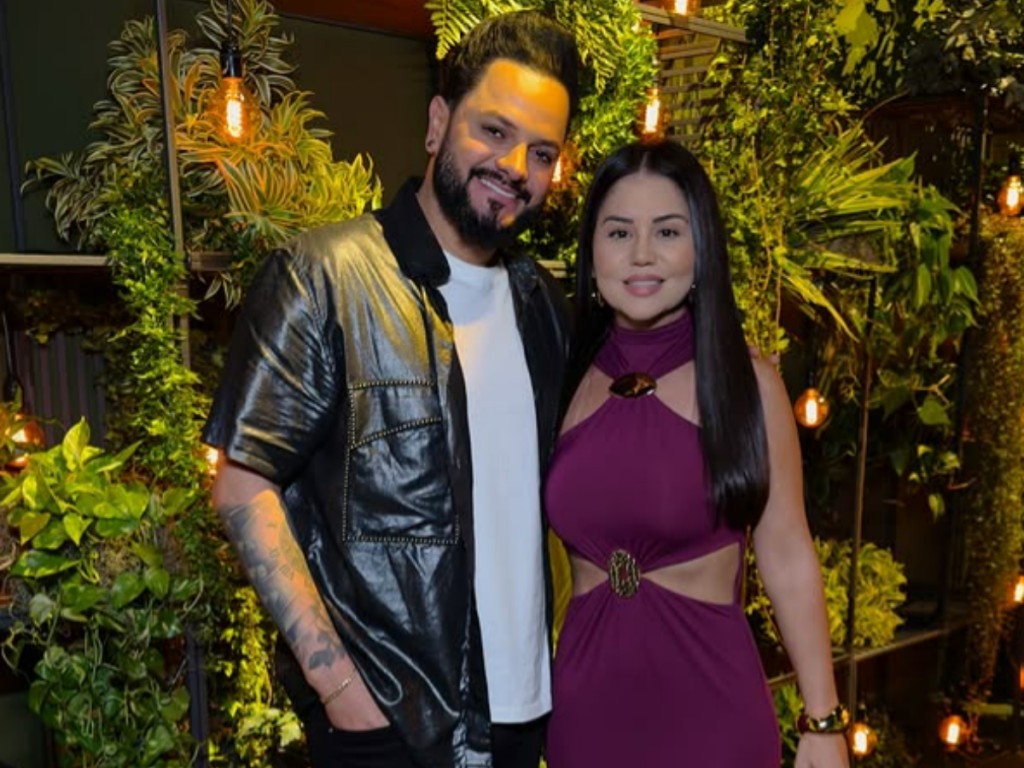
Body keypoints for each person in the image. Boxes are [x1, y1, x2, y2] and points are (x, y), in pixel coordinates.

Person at [202, 12, 580, 768]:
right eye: (494, 131)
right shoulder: (324, 277)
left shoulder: (542, 304)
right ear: (438, 123)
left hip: (524, 720)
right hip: (388, 730)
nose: (515, 166)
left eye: (541, 152)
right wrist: (339, 686)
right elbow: (242, 483)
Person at [543, 140, 850, 768]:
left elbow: (787, 553)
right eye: (619, 232)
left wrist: (823, 724)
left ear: (701, 246)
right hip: (585, 716)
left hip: (713, 717)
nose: (642, 254)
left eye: (668, 231)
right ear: (592, 251)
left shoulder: (747, 384)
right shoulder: (562, 377)